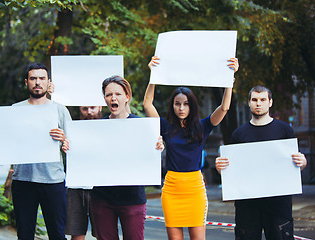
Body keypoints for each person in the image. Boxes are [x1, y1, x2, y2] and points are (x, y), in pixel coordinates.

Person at [143, 56, 239, 240]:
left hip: (195, 189)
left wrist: (229, 80)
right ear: (172, 106)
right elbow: (147, 103)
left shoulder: (203, 126)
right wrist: (153, 75)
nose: (181, 108)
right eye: (177, 103)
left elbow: (224, 108)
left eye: (185, 104)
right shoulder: (166, 128)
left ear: (191, 106)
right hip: (171, 189)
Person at [0, 63, 71, 240]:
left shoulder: (59, 110)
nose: (37, 82)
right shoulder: (15, 110)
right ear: (26, 82)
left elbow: (73, 145)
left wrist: (64, 140)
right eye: (33, 78)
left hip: (53, 181)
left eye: (42, 78)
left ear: (48, 82)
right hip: (23, 181)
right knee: (25, 235)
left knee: (57, 235)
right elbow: (2, 140)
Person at [215, 85, 307, 240]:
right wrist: (220, 168)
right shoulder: (238, 134)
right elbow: (231, 171)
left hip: (278, 204)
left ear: (270, 102)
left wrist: (302, 163)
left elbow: (295, 166)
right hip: (247, 205)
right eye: (255, 100)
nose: (258, 103)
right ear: (249, 103)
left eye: (263, 99)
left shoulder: (285, 131)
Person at [90, 75, 164, 240]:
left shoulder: (142, 126)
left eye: (118, 94)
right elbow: (88, 157)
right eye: (109, 95)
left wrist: (157, 146)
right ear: (104, 99)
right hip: (102, 198)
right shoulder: (96, 128)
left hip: (132, 198)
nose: (113, 98)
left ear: (127, 97)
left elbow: (150, 155)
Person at [65, 106, 102, 240]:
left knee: (103, 234)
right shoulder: (71, 129)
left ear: (100, 107)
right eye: (85, 109)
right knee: (77, 234)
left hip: (101, 188)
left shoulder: (108, 127)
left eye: (92, 108)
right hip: (76, 187)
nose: (89, 112)